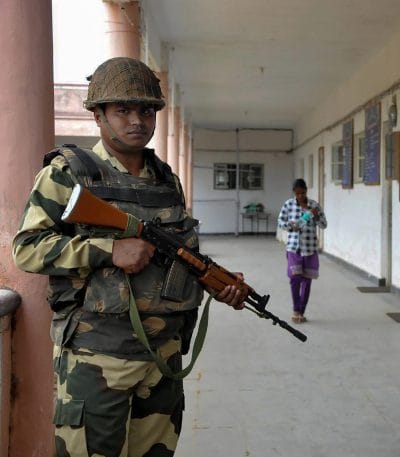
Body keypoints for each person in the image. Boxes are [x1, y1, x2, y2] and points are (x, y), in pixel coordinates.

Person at [12, 57, 245, 457]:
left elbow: (177, 255)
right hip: (96, 354)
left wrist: (214, 279)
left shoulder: (166, 179)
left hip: (163, 355)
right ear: (98, 116)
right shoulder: (67, 173)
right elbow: (27, 248)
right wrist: (107, 250)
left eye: (146, 110)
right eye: (122, 110)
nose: (137, 120)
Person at [277, 178, 327, 323]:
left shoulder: (314, 205)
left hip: (310, 248)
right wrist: (290, 225)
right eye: (297, 193)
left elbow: (324, 225)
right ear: (294, 192)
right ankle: (295, 309)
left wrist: (315, 215)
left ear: (306, 191)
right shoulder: (288, 204)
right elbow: (280, 222)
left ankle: (301, 312)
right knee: (294, 279)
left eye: (302, 193)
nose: (300, 196)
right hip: (293, 248)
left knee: (306, 281)